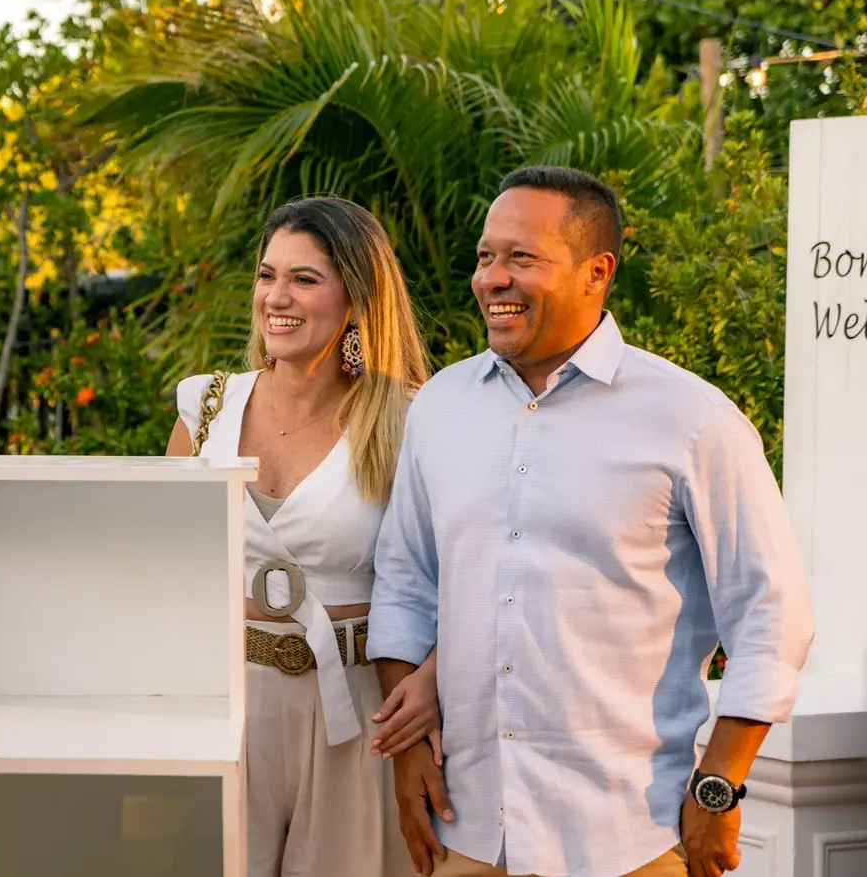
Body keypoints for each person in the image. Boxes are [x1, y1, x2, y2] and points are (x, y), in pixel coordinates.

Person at [366, 166, 814, 877]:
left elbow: (771, 612)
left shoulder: (693, 419)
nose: (493, 279)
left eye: (521, 257)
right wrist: (409, 751)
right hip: (469, 829)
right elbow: (404, 585)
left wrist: (720, 783)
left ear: (596, 271)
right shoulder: (440, 408)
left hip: (629, 836)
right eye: (485, 256)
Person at [166, 196, 439, 877]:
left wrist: (429, 692)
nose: (276, 297)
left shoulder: (407, 418)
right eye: (267, 275)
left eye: (304, 279)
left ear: (356, 298)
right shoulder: (205, 407)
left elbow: (456, 578)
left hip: (358, 706)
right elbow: (166, 569)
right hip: (228, 699)